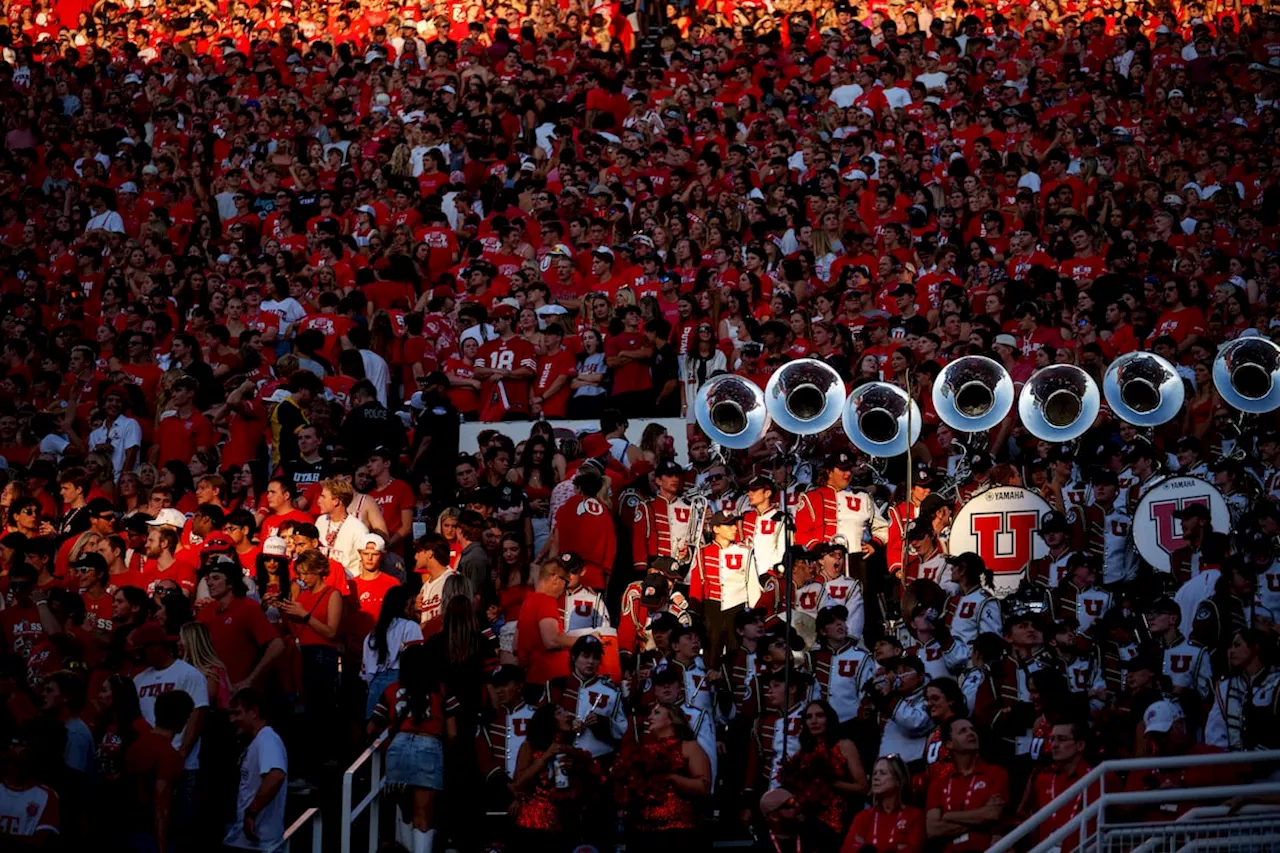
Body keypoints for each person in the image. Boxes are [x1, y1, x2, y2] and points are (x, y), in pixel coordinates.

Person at [369, 643, 457, 853]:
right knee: (423, 816)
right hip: (428, 745)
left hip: (397, 746)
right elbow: (453, 732)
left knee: (403, 811)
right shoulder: (442, 690)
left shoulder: (391, 689)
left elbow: (371, 727)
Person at [925, 718, 1008, 853]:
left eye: (972, 729)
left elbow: (992, 814)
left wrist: (947, 816)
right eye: (963, 731)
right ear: (949, 744)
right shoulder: (938, 784)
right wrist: (980, 821)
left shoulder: (996, 773)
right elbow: (932, 829)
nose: (971, 733)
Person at [225, 688, 289, 851]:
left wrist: (252, 812)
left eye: (237, 713)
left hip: (260, 843)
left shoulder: (267, 738)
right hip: (249, 841)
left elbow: (276, 775)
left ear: (254, 712)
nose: (232, 720)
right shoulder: (259, 740)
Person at [843, 755, 926, 853]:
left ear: (898, 780)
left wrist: (868, 848)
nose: (876, 778)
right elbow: (847, 850)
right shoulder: (862, 817)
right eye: (874, 774)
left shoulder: (915, 816)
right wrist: (896, 847)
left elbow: (914, 850)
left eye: (882, 773)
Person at [517, 559, 575, 684]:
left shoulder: (527, 603)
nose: (563, 590)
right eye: (565, 583)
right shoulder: (546, 601)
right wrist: (584, 640)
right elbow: (551, 640)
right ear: (555, 579)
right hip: (550, 682)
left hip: (532, 678)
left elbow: (515, 646)